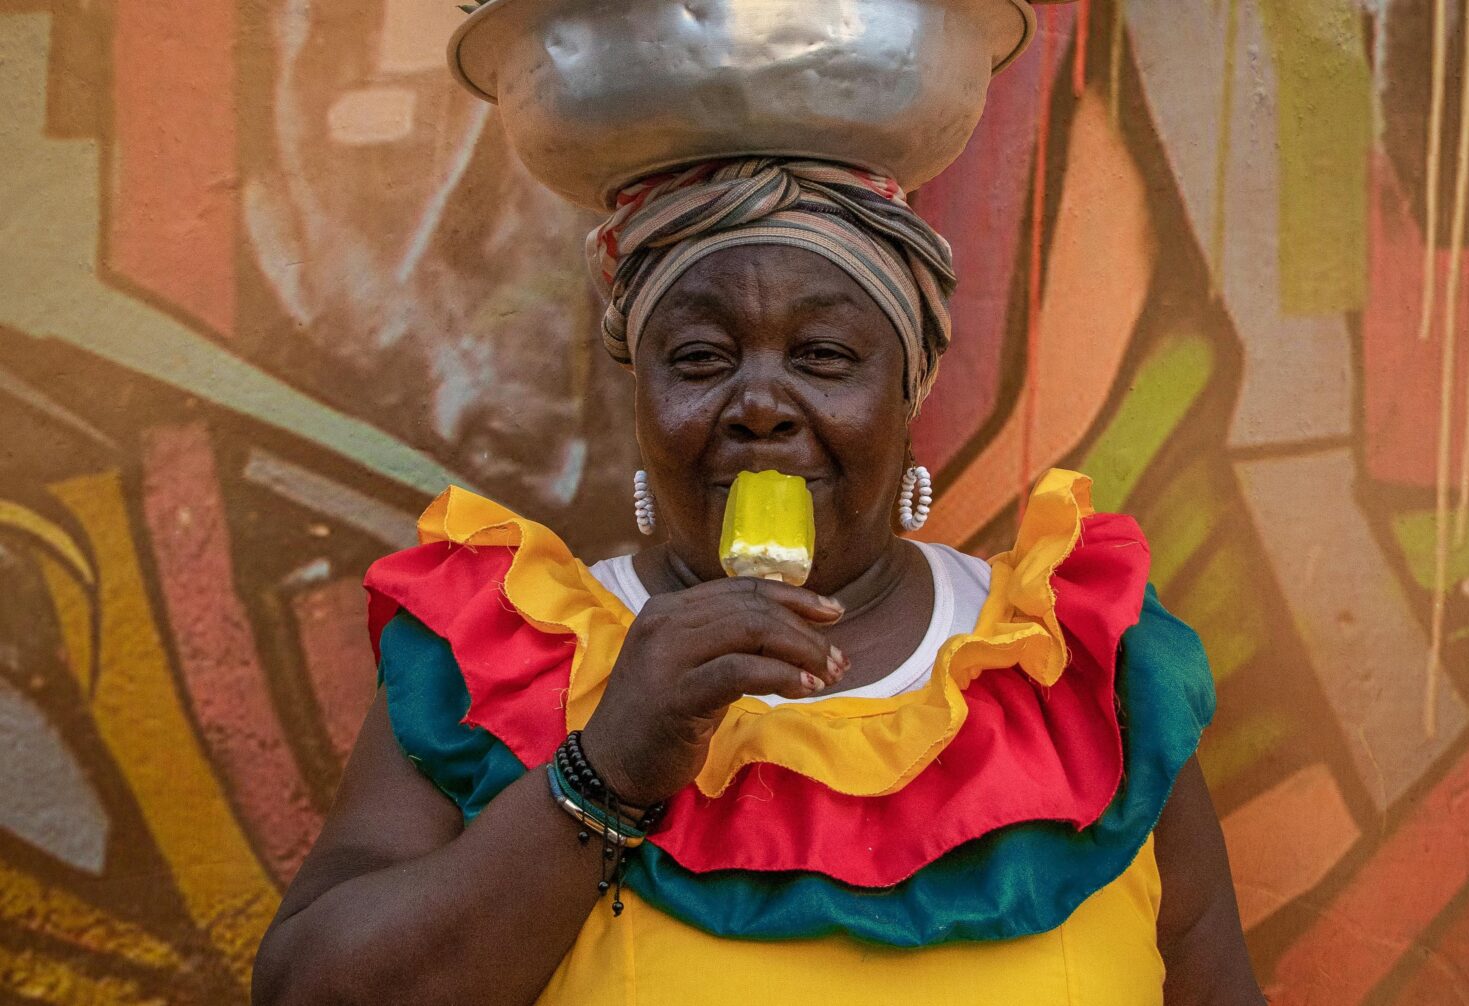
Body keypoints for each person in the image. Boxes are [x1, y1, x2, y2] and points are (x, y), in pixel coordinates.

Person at [252, 159, 1264, 1004]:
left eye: (823, 355)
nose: (762, 404)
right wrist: (606, 771)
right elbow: (312, 992)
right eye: (700, 357)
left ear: (907, 396)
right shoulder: (493, 653)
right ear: (640, 402)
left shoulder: (1080, 673)